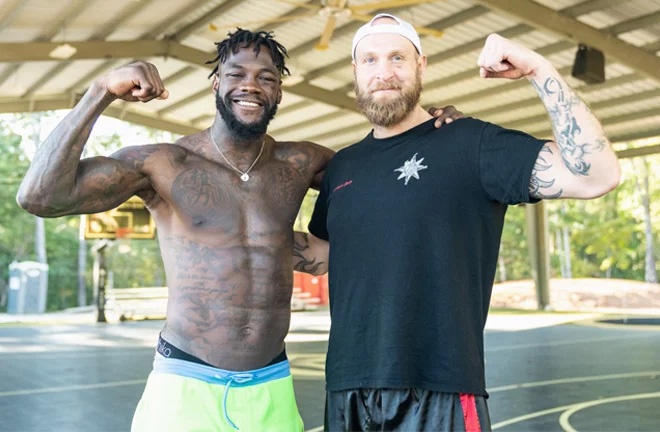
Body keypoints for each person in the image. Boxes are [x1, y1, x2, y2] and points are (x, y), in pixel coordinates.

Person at [16, 28, 461, 431]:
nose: (251, 84)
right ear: (217, 84)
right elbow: (40, 196)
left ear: (279, 93)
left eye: (266, 77)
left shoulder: (301, 162)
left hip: (272, 387)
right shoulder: (164, 164)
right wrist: (100, 91)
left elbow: (393, 174)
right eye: (237, 74)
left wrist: (429, 127)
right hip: (185, 386)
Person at [293, 13, 621, 432]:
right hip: (348, 388)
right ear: (356, 72)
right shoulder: (343, 167)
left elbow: (598, 175)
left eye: (398, 57)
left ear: (421, 66)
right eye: (371, 60)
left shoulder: (469, 143)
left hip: (439, 389)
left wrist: (539, 68)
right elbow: (324, 255)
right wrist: (234, 231)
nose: (385, 72)